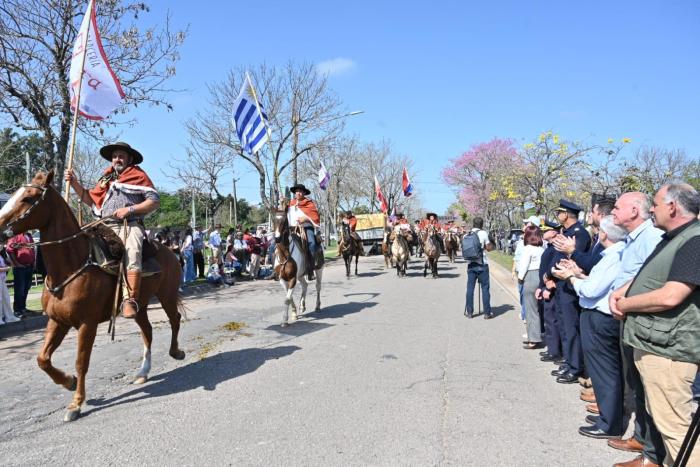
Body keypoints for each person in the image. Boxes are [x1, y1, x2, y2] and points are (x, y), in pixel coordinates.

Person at [611, 184, 700, 467]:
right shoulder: (676, 238)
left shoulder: (694, 240)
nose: (652, 208)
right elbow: (657, 276)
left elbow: (672, 294)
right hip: (655, 345)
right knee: (662, 419)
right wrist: (627, 288)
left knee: (676, 429)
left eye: (657, 204)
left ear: (673, 207)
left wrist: (626, 304)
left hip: (669, 352)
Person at [64, 141, 159, 319]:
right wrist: (74, 183)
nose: (117, 159)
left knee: (133, 251)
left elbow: (153, 201)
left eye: (121, 156)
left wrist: (129, 209)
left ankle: (130, 299)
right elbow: (90, 199)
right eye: (115, 156)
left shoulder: (139, 175)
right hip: (104, 225)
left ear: (130, 159)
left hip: (129, 225)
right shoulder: (105, 179)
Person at [553, 215, 627, 440]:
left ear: (605, 234)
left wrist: (571, 278)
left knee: (605, 372)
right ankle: (607, 416)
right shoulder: (612, 255)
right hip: (597, 316)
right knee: (603, 371)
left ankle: (609, 423)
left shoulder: (613, 256)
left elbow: (592, 290)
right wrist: (578, 272)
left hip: (600, 318)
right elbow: (594, 281)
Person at [608, 192, 665, 466]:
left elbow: (650, 280)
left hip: (641, 319)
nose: (613, 212)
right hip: (627, 316)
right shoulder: (634, 239)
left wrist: (622, 297)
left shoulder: (651, 238)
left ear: (633, 210)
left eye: (617, 207)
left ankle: (652, 455)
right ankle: (641, 439)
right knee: (637, 384)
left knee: (646, 386)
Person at [549, 199, 591, 384]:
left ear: (566, 214)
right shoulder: (564, 233)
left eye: (559, 212)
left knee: (571, 326)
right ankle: (568, 361)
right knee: (564, 326)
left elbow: (574, 259)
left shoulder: (578, 234)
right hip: (560, 283)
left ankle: (576, 366)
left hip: (570, 284)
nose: (557, 215)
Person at [518, 225, 544, 348]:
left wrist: (520, 278)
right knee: (538, 309)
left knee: (530, 309)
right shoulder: (541, 248)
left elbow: (523, 265)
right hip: (541, 276)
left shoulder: (528, 248)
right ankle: (536, 334)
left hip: (531, 276)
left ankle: (533, 339)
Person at [287, 183, 321, 280]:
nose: (299, 193)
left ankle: (310, 269)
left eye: (301, 191)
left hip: (306, 227)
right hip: (292, 228)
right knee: (275, 244)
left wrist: (305, 218)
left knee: (312, 244)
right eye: (297, 191)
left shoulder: (309, 203)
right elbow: (283, 212)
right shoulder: (291, 203)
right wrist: (281, 202)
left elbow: (315, 217)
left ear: (304, 193)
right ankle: (276, 269)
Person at [464, 216, 494, 318]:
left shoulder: (466, 234)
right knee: (485, 288)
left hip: (471, 265)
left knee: (470, 289)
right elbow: (489, 248)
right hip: (482, 264)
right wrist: (489, 244)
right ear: (481, 225)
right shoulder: (483, 233)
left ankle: (469, 312)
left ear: (473, 224)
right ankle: (487, 313)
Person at [5, 231, 36, 319]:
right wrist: (16, 264)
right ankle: (17, 310)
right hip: (20, 268)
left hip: (29, 266)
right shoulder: (15, 236)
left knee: (27, 287)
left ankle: (23, 308)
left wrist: (33, 262)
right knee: (20, 289)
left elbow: (32, 248)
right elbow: (9, 249)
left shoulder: (29, 235)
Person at [0, 245, 20, 325]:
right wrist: (7, 268)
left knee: (6, 298)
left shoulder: (1, 255)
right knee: (0, 299)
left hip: (2, 279)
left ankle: (9, 317)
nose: (1, 245)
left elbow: (8, 263)